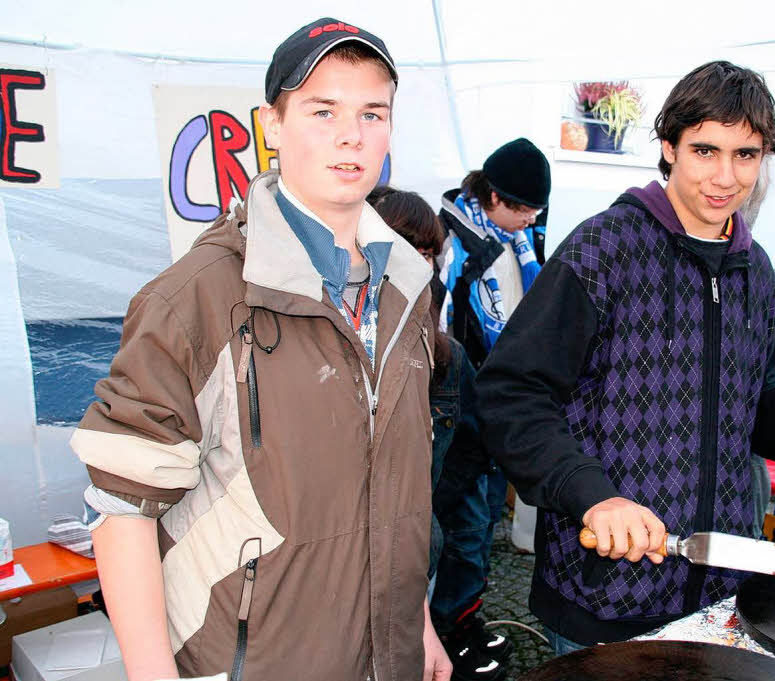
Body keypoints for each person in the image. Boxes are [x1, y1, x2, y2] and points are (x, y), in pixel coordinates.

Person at [70, 18, 450, 681]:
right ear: (272, 125)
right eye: (322, 109)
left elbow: (395, 485)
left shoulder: (407, 290)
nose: (349, 135)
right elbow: (122, 508)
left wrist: (416, 626)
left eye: (372, 113)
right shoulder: (196, 297)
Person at [474, 60, 775, 654]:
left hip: (718, 596)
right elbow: (510, 392)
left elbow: (748, 406)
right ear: (669, 147)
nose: (726, 176)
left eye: (746, 154)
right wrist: (591, 493)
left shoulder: (755, 270)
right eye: (706, 150)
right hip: (602, 594)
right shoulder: (603, 250)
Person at [370, 186, 501, 681]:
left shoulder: (445, 358)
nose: (418, 263)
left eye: (428, 252)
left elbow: (470, 442)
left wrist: (434, 500)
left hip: (419, 542)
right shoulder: (327, 346)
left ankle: (456, 633)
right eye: (406, 247)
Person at [431, 139, 551, 680]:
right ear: (494, 196)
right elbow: (441, 328)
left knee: (478, 527)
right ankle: (447, 633)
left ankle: (463, 624)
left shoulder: (523, 242)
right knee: (465, 525)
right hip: (460, 411)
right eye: (522, 209)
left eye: (535, 212)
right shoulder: (453, 242)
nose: (528, 222)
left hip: (505, 404)